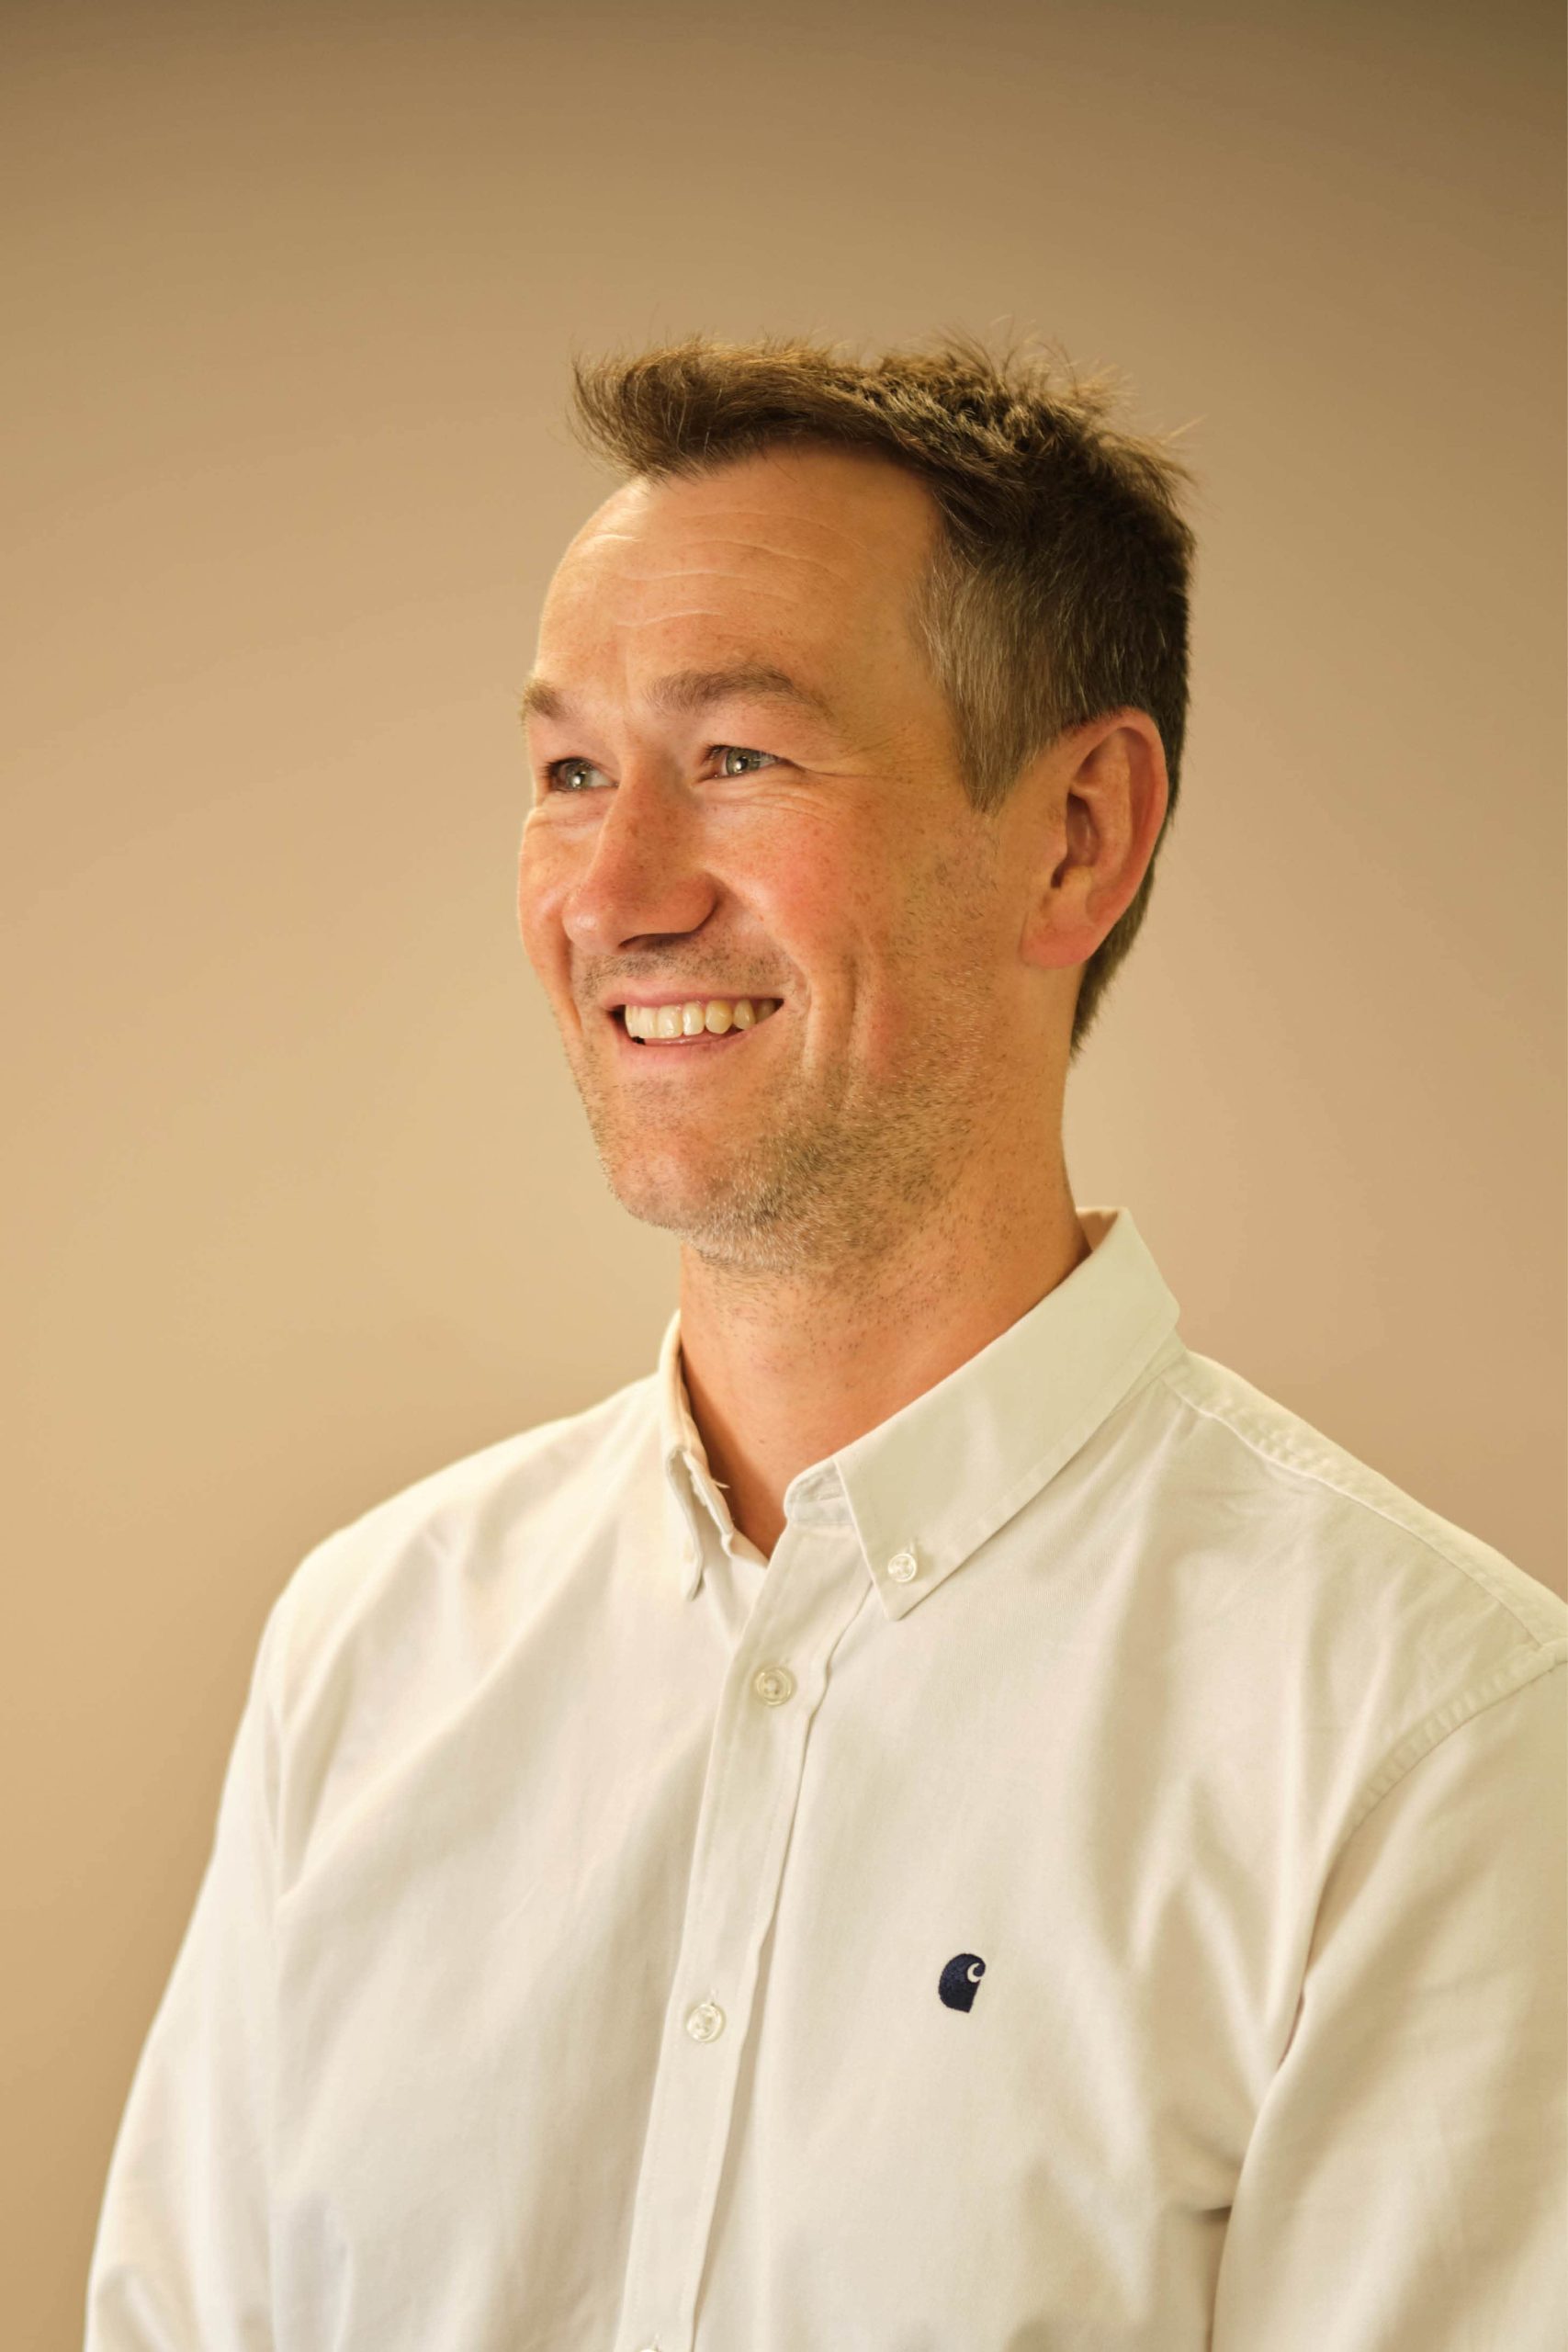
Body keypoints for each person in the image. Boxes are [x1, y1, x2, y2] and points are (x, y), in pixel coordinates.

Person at [85, 333, 1566, 2350]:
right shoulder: (369, 1644)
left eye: (739, 759)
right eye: (570, 773)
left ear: (1078, 832)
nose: (615, 893)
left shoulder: (1418, 1738)